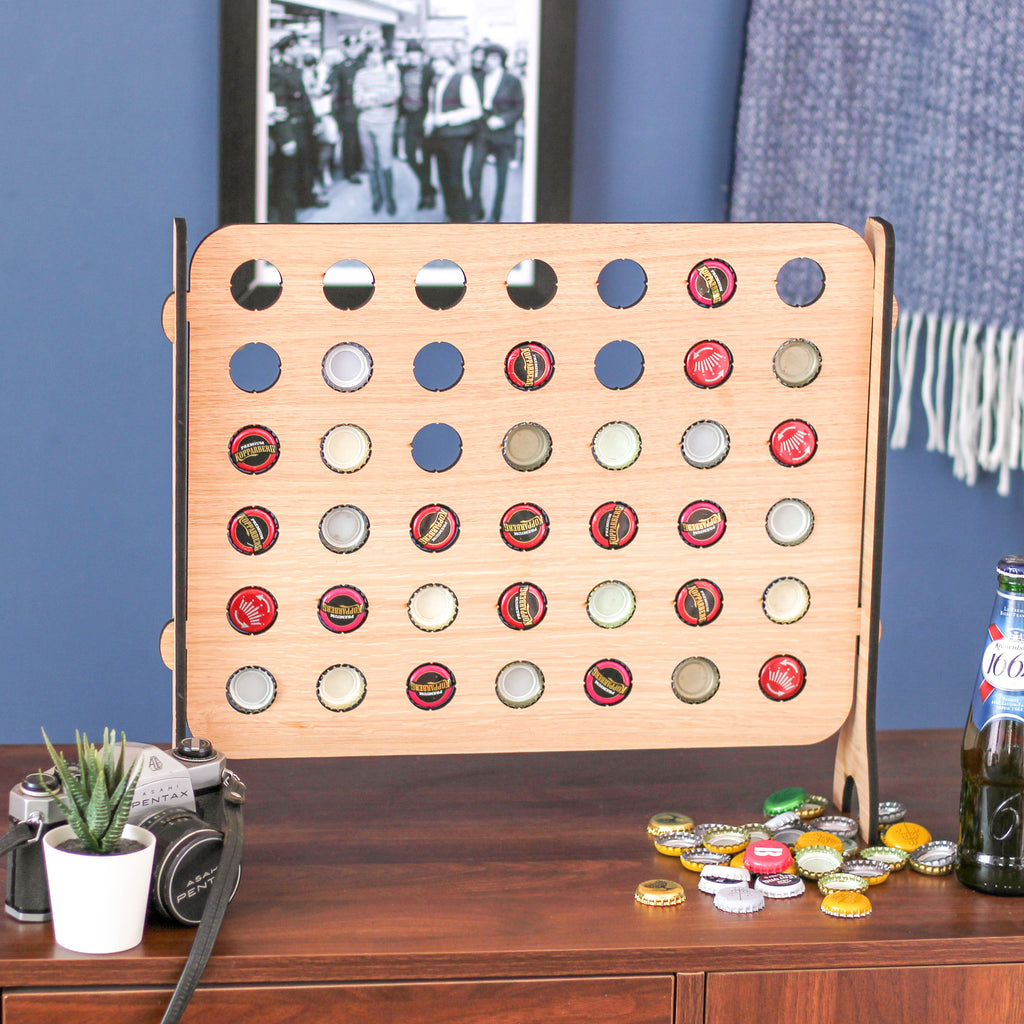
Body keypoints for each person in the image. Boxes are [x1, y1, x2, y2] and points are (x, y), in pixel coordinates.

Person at [268, 32, 324, 222]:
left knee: (305, 168)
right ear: (289, 49)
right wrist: (285, 138)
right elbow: (279, 108)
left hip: (303, 127)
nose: (302, 51)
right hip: (290, 129)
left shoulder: (294, 70)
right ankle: (287, 217)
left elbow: (304, 99)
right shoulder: (276, 72)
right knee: (287, 175)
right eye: (299, 47)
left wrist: (315, 122)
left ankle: (306, 200)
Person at [468, 44, 524, 222]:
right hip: (483, 131)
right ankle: (477, 208)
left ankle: (496, 213)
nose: (487, 61)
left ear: (500, 60)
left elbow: (519, 108)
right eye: (486, 57)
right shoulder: (479, 77)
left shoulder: (512, 80)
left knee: (502, 177)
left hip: (503, 133)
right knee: (474, 170)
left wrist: (503, 120)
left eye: (492, 58)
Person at [425, 52, 481, 223]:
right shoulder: (436, 81)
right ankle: (450, 214)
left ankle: (461, 219)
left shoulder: (463, 80)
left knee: (455, 179)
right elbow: (433, 107)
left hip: (456, 137)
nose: (435, 65)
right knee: (443, 177)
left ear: (448, 61)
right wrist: (429, 121)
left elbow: (475, 110)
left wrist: (445, 119)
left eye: (438, 61)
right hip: (438, 136)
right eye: (434, 62)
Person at [353, 42, 401, 215]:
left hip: (385, 122)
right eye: (372, 53)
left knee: (385, 161)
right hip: (365, 122)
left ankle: (390, 199)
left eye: (378, 52)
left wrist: (371, 97)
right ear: (367, 56)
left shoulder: (390, 73)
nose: (375, 56)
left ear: (382, 55)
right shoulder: (361, 74)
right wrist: (377, 98)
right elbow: (358, 100)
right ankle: (377, 198)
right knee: (370, 163)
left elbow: (394, 95)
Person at [398, 41, 436, 210]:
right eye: (410, 54)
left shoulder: (429, 71)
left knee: (425, 157)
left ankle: (426, 196)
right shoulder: (402, 70)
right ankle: (429, 187)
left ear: (421, 55)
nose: (413, 57)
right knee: (409, 155)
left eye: (416, 54)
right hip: (410, 117)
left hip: (424, 116)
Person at [329, 36, 365, 184]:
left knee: (360, 139)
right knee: (349, 141)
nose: (353, 50)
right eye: (350, 47)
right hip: (347, 108)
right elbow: (332, 86)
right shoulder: (340, 67)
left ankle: (359, 165)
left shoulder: (362, 65)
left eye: (356, 47)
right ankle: (349, 170)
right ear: (345, 49)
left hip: (361, 107)